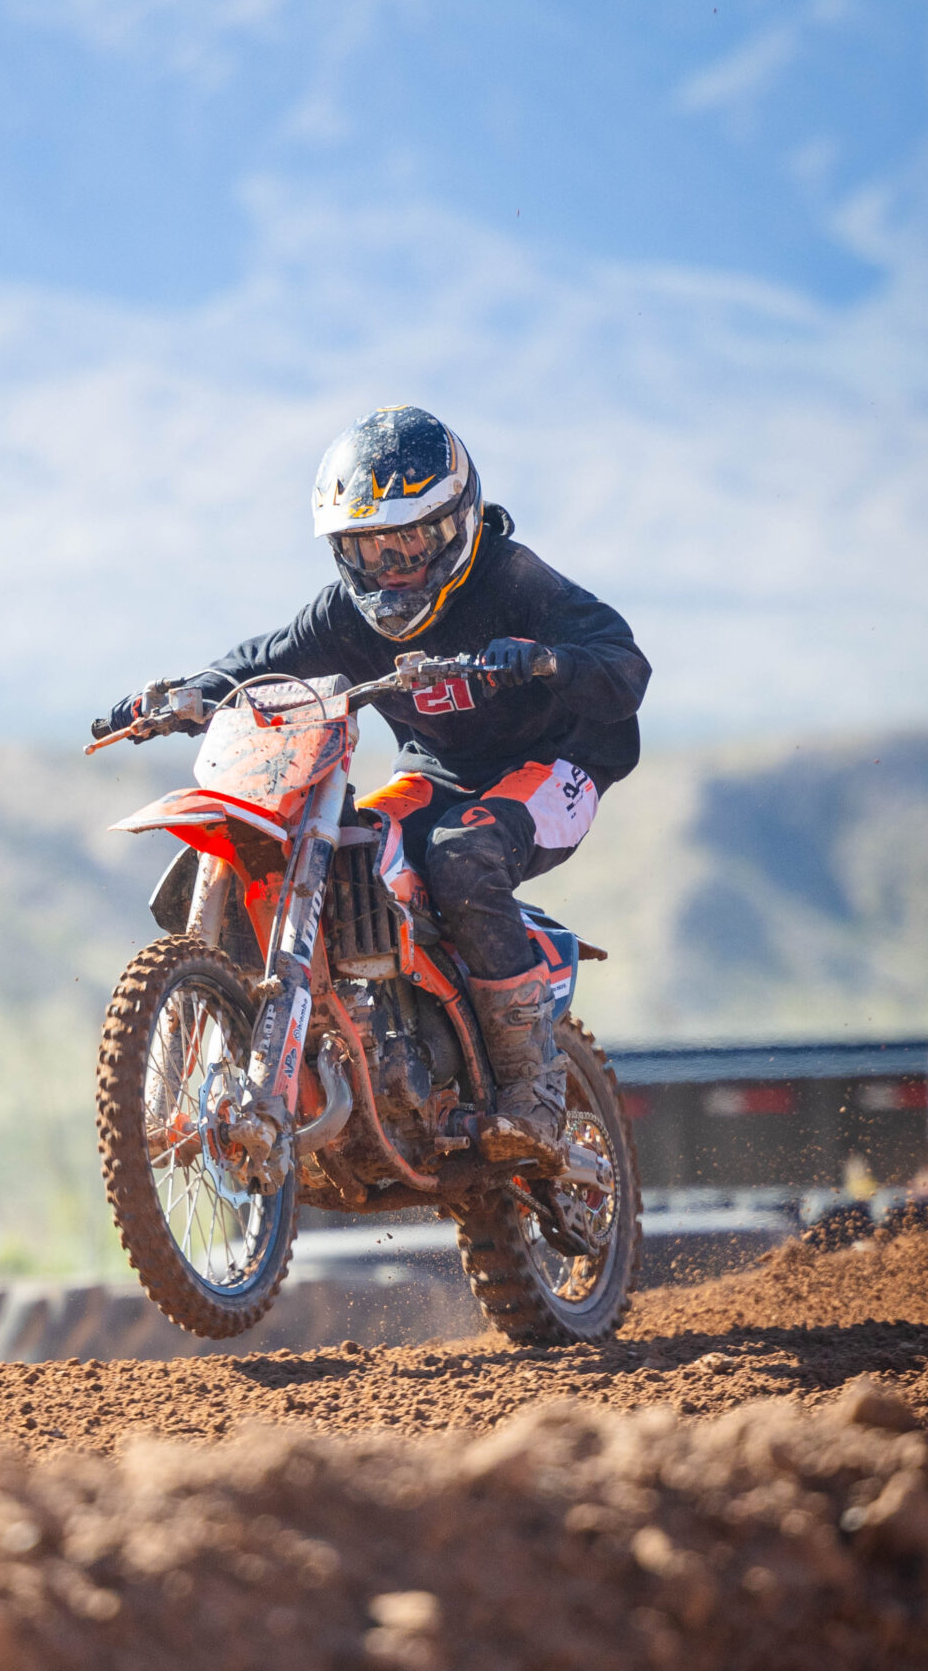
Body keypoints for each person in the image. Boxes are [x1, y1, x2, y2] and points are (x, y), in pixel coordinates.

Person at [98, 404, 649, 1169]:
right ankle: (383, 1036)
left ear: (455, 525)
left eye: (409, 542)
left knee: (461, 857)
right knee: (358, 851)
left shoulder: (513, 580)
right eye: (366, 547)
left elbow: (624, 662)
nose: (390, 566)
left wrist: (543, 660)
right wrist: (188, 695)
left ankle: (532, 1086)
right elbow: (263, 660)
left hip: (557, 762)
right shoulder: (344, 618)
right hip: (438, 771)